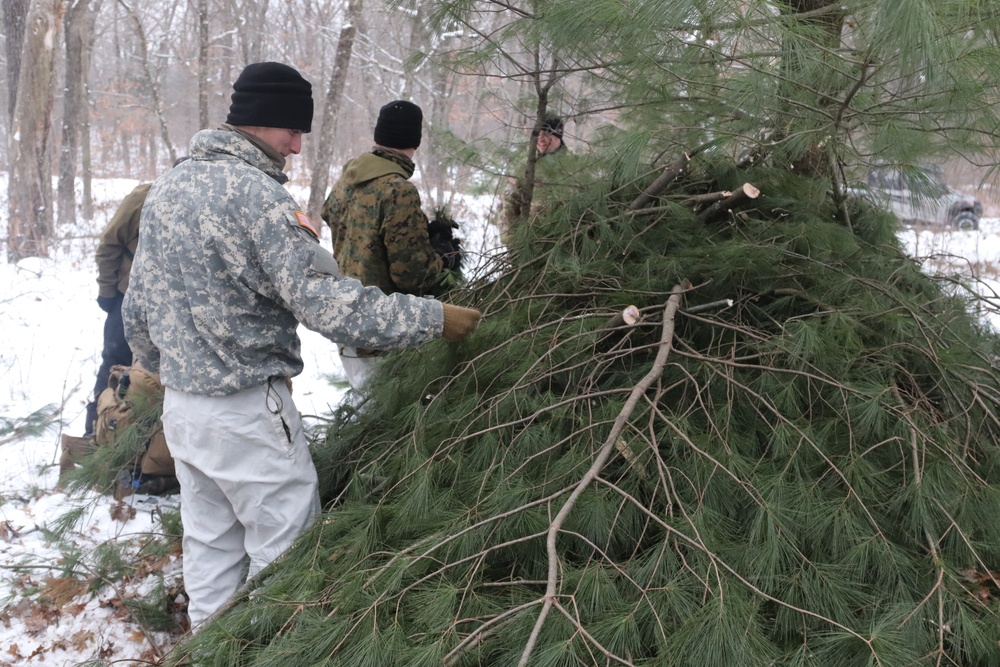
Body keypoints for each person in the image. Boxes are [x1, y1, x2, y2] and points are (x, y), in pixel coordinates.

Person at [121, 62, 481, 630]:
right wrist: (434, 317)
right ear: (261, 122)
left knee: (211, 552)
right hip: (247, 415)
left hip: (184, 414)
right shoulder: (261, 201)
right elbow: (331, 307)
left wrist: (171, 369)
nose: (297, 143)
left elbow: (136, 308)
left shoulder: (169, 186)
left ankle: (209, 648)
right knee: (287, 561)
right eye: (292, 129)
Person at [321, 100, 448, 389]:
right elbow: (412, 275)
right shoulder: (398, 190)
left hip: (347, 322)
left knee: (366, 416)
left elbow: (330, 216)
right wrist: (441, 257)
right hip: (384, 330)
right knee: (389, 426)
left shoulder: (347, 179)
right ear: (414, 141)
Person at [84, 157, 188, 437]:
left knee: (156, 376)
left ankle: (146, 442)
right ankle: (95, 434)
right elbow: (109, 245)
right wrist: (107, 294)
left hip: (173, 307)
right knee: (114, 365)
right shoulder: (143, 197)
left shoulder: (202, 206)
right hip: (126, 299)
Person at [500, 115, 567, 242]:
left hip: (566, 247)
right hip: (530, 247)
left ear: (558, 136)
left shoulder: (576, 167)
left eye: (547, 135)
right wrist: (514, 248)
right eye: (538, 135)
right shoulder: (523, 167)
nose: (541, 140)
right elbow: (509, 208)